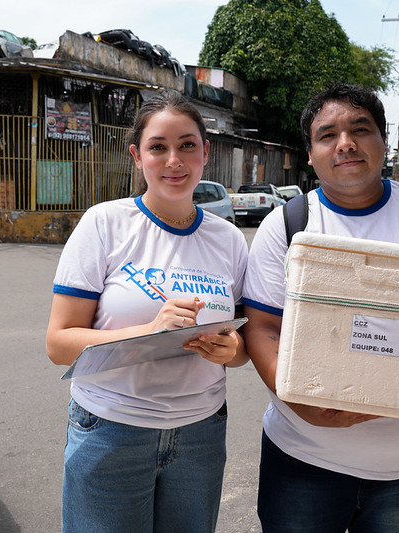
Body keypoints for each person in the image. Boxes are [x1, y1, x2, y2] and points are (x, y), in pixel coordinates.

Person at [242, 84, 399, 533]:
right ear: (310, 153)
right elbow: (262, 329)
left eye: (360, 129)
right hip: (303, 460)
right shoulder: (287, 225)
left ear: (384, 142)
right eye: (328, 135)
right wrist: (300, 405)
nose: (345, 143)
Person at [46, 90, 249, 533]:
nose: (173, 159)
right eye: (159, 147)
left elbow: (242, 349)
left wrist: (228, 348)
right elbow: (60, 344)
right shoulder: (105, 224)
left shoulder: (230, 239)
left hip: (201, 432)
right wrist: (150, 330)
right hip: (111, 428)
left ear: (205, 153)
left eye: (187, 145)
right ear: (138, 156)